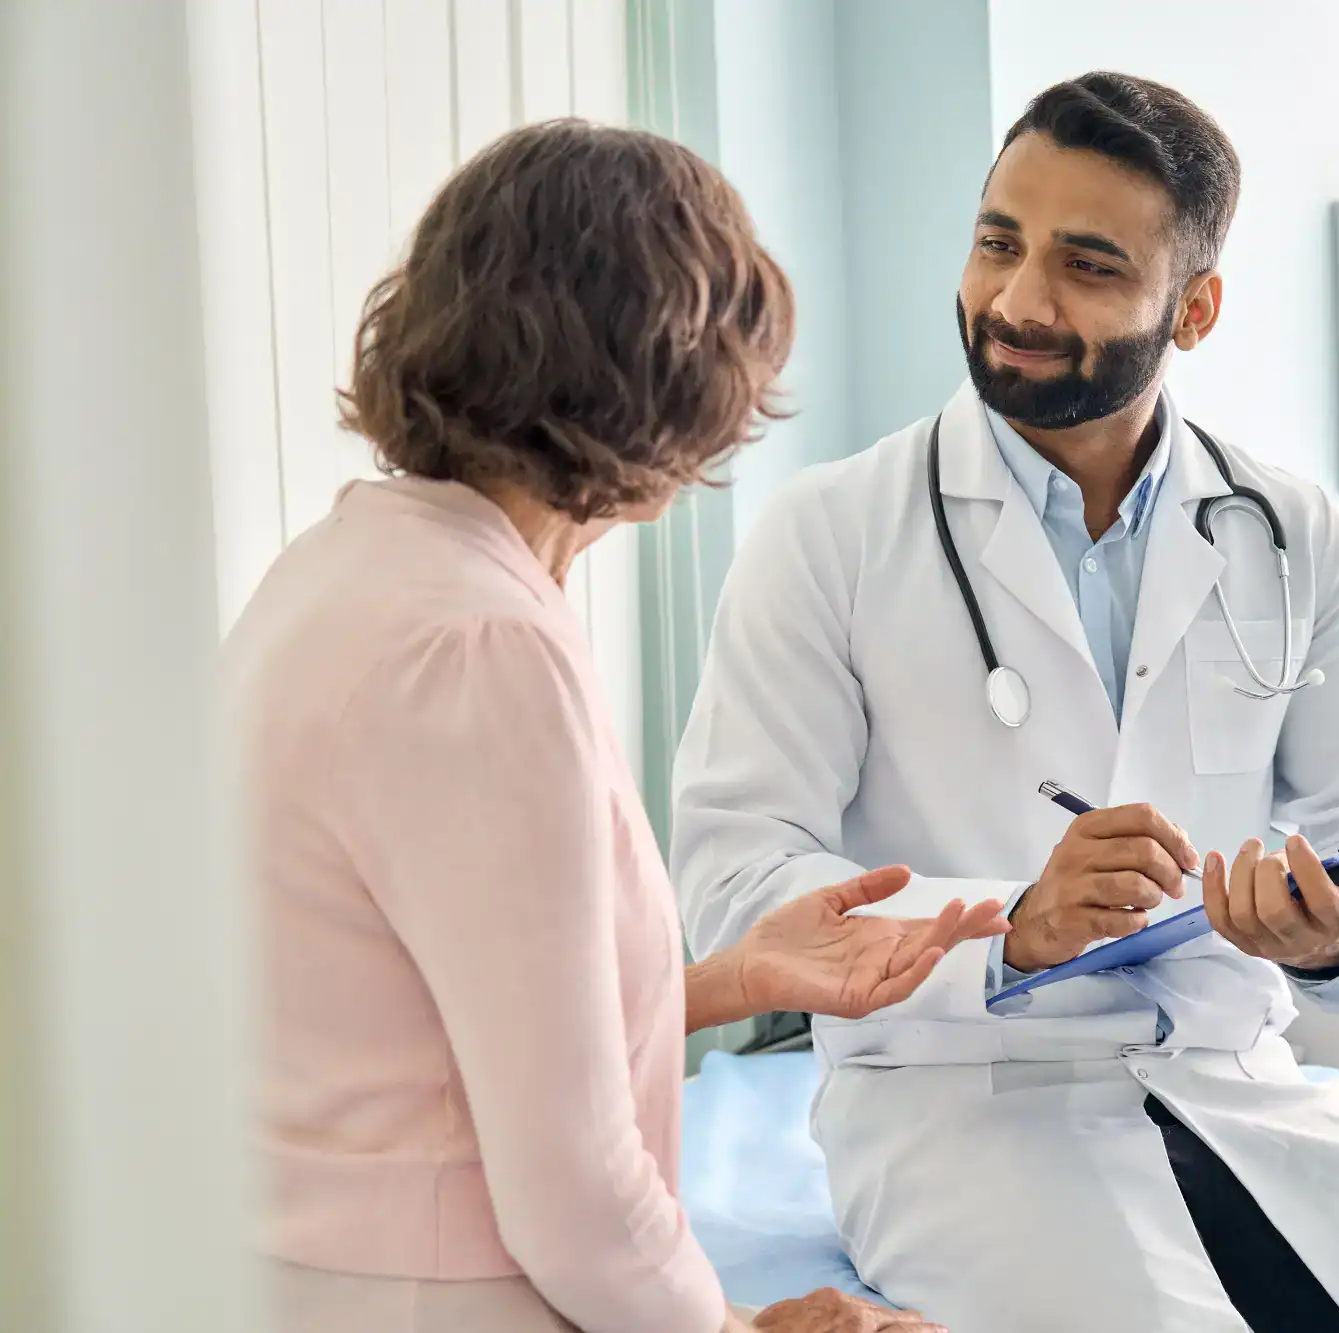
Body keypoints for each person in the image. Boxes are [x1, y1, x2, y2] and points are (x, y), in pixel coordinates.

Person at [671, 74, 1339, 1333]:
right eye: (996, 243)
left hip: (1232, 1080)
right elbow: (733, 881)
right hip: (959, 1106)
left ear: (1192, 309)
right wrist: (1009, 925)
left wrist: (1336, 934)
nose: (1018, 301)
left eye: (1085, 265)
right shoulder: (829, 536)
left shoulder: (1288, 533)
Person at [226, 120, 998, 1333]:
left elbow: (428, 1032)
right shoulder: (482, 650)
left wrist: (733, 980)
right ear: (667, 389)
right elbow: (574, 1195)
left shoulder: (339, 571)